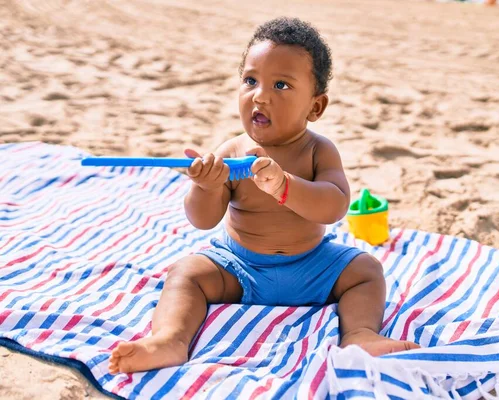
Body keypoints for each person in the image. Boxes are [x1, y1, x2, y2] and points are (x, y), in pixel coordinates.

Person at [108, 17, 419, 375]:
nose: (260, 95)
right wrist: (206, 186)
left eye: (281, 84)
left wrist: (283, 185)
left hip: (312, 266)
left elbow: (334, 206)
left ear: (315, 107)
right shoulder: (233, 150)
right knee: (186, 272)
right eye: (250, 80)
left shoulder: (319, 151)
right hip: (239, 268)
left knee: (366, 270)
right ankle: (170, 339)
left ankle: (360, 334)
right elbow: (202, 220)